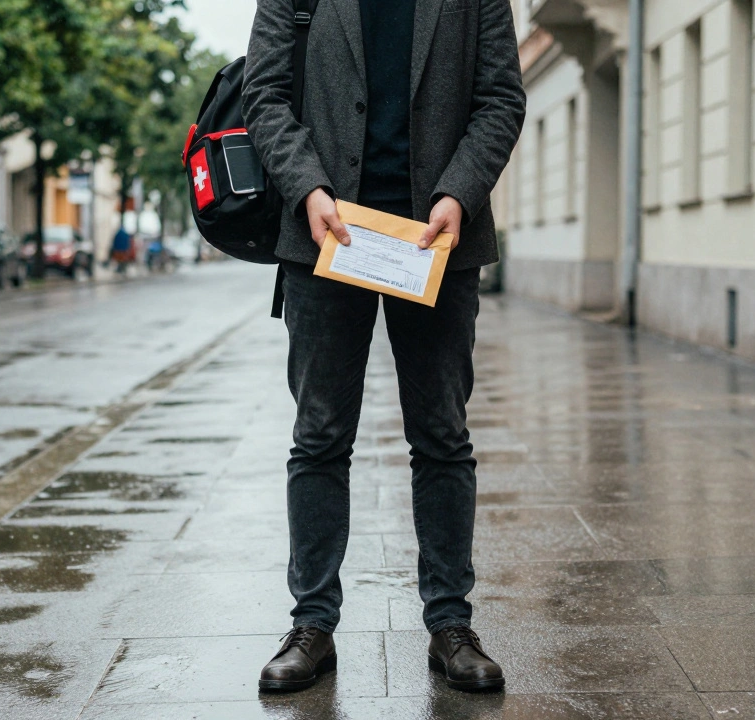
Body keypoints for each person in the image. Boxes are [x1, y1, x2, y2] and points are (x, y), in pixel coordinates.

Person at [243, 0, 525, 695]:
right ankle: (312, 625)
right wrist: (306, 184)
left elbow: (501, 98)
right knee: (319, 435)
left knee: (441, 435)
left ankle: (451, 626)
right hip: (324, 238)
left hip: (435, 244)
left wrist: (459, 191)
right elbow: (265, 92)